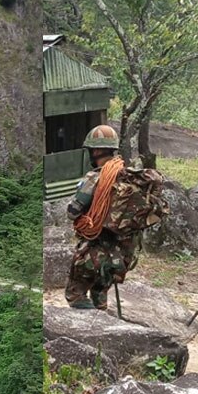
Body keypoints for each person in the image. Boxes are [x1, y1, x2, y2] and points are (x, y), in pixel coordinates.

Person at [65, 125, 136, 310]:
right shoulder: (127, 177)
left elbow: (72, 212)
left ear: (96, 150)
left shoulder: (96, 178)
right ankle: (101, 316)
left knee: (75, 296)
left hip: (93, 253)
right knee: (100, 295)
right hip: (120, 256)